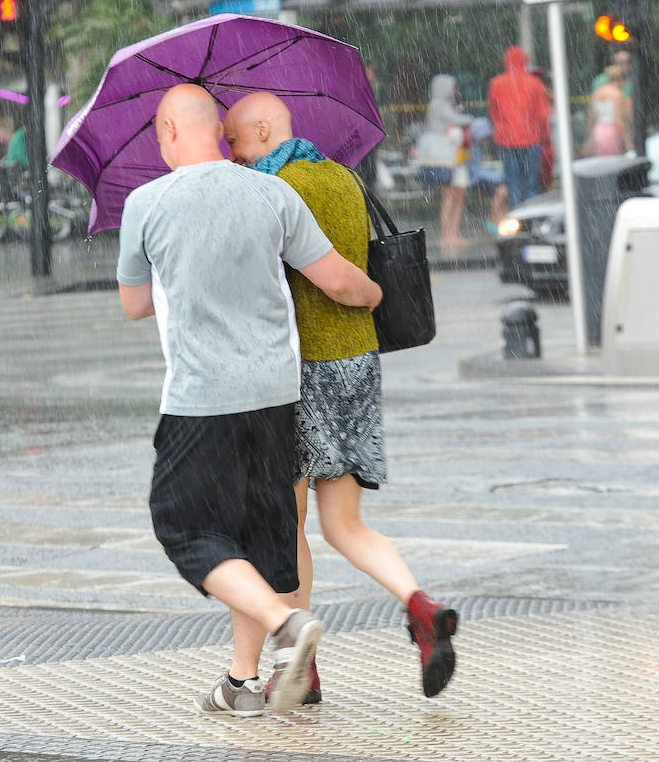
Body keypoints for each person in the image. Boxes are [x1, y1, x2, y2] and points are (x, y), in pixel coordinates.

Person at [116, 84, 382, 717]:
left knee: (183, 527)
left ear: (170, 131)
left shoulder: (146, 203)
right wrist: (378, 295)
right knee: (266, 536)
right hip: (275, 395)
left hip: (200, 401)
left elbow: (134, 305)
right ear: (217, 129)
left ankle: (286, 625)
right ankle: (243, 681)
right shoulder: (273, 193)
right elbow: (337, 280)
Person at [223, 92, 460, 704]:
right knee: (345, 523)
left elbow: (325, 281)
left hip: (303, 371)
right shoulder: (343, 177)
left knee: (289, 526)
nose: (233, 153)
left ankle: (301, 669)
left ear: (264, 129)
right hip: (359, 363)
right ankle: (420, 607)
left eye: (237, 141)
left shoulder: (275, 190)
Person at [415, 73, 474, 253]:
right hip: (445, 156)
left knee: (458, 193)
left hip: (455, 155)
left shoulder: (446, 105)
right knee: (449, 194)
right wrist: (469, 118)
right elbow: (456, 120)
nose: (455, 91)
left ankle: (453, 234)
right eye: (453, 87)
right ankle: (447, 235)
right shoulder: (438, 105)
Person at [487, 46, 551, 208]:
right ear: (525, 61)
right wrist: (545, 136)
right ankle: (533, 216)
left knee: (513, 183)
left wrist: (501, 131)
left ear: (506, 61)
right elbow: (543, 115)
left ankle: (517, 217)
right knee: (531, 183)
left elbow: (494, 113)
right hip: (532, 138)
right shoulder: (535, 83)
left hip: (507, 140)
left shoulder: (496, 83)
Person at [581, 66, 632, 158]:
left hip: (598, 130)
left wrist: (588, 137)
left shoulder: (597, 93)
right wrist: (627, 139)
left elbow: (591, 117)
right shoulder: (617, 94)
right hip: (612, 131)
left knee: (601, 159)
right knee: (614, 160)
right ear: (620, 79)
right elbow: (618, 119)